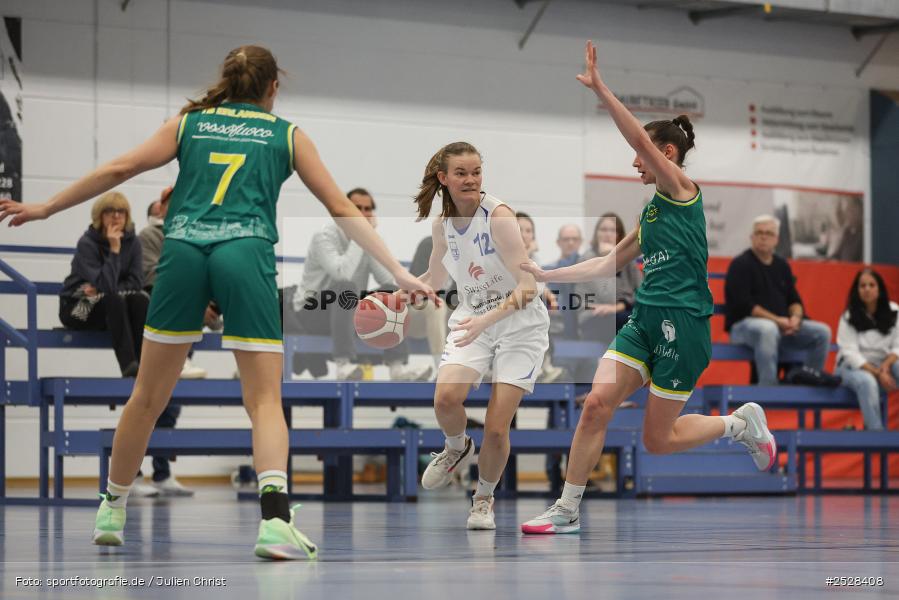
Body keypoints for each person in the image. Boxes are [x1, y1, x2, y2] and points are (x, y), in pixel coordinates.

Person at [0, 45, 434, 559]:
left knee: (146, 396)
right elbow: (341, 206)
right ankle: (274, 522)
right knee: (265, 401)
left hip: (182, 252)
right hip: (244, 252)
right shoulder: (286, 134)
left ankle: (112, 508)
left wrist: (47, 206)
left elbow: (120, 169)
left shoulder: (190, 122)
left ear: (226, 80)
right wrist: (401, 270)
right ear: (274, 87)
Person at [519, 41, 777, 534]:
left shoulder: (682, 191)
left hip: (683, 324)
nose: (636, 164)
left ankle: (739, 424)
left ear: (666, 154)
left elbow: (638, 140)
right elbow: (609, 262)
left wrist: (600, 88)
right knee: (595, 405)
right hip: (642, 322)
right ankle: (567, 509)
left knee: (658, 441)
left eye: (644, 157)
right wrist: (548, 274)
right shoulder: (652, 211)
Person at [413, 141, 550, 530]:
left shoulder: (499, 217)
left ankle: (483, 499)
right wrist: (402, 294)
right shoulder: (441, 225)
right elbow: (436, 279)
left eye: (476, 172)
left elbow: (528, 288)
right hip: (475, 314)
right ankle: (457, 447)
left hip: (519, 323)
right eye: (461, 173)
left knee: (495, 425)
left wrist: (487, 321)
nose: (471, 179)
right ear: (444, 178)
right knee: (445, 399)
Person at [285, 188, 432, 381]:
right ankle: (343, 365)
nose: (363, 214)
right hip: (311, 311)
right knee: (346, 288)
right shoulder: (323, 237)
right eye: (357, 209)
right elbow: (342, 273)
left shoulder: (366, 239)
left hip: (346, 312)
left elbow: (386, 279)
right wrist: (360, 235)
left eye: (367, 209)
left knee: (390, 293)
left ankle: (397, 369)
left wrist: (371, 240)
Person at [725, 215, 832, 385]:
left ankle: (808, 379)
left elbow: (794, 300)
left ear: (776, 239)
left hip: (780, 328)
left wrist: (795, 319)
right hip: (743, 328)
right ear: (752, 237)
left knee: (822, 332)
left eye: (768, 233)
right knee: (768, 329)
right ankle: (768, 388)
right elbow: (745, 306)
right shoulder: (740, 264)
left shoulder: (782, 265)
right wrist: (778, 321)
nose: (763, 237)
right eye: (759, 232)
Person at [58, 191, 148, 378]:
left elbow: (137, 282)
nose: (116, 216)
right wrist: (114, 250)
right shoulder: (87, 243)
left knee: (139, 299)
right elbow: (107, 285)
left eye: (121, 212)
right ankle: (129, 366)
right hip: (78, 308)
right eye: (110, 211)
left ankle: (145, 368)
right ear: (100, 216)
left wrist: (103, 289)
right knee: (114, 298)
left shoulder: (133, 243)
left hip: (113, 309)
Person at [835, 268, 898, 430]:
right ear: (857, 290)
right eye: (862, 286)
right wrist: (878, 373)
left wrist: (884, 368)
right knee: (867, 381)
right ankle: (876, 433)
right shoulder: (849, 316)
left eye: (871, 285)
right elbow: (850, 354)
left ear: (880, 289)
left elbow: (898, 346)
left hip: (884, 366)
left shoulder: (895, 311)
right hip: (852, 368)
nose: (867, 289)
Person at [576, 212, 642, 340]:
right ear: (596, 233)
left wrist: (619, 306)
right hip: (593, 317)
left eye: (613, 230)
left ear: (619, 235)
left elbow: (641, 290)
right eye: (603, 229)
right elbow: (607, 296)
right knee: (625, 322)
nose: (608, 234)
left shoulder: (628, 259)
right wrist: (609, 260)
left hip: (619, 313)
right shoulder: (587, 258)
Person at [516, 212, 563, 383]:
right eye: (520, 229)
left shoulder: (534, 258)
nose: (525, 234)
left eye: (529, 231)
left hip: (528, 306)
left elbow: (539, 281)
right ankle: (539, 368)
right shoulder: (503, 252)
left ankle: (544, 366)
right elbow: (520, 271)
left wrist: (551, 296)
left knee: (543, 318)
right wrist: (528, 250)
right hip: (506, 307)